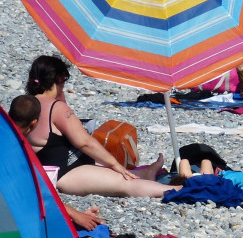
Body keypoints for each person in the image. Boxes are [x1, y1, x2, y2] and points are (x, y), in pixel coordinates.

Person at [18, 56, 171, 199]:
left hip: (44, 170)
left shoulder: (26, 104)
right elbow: (84, 142)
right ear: (58, 79)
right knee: (124, 182)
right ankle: (178, 189)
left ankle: (146, 173)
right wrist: (115, 164)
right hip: (65, 173)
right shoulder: (56, 108)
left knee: (117, 173)